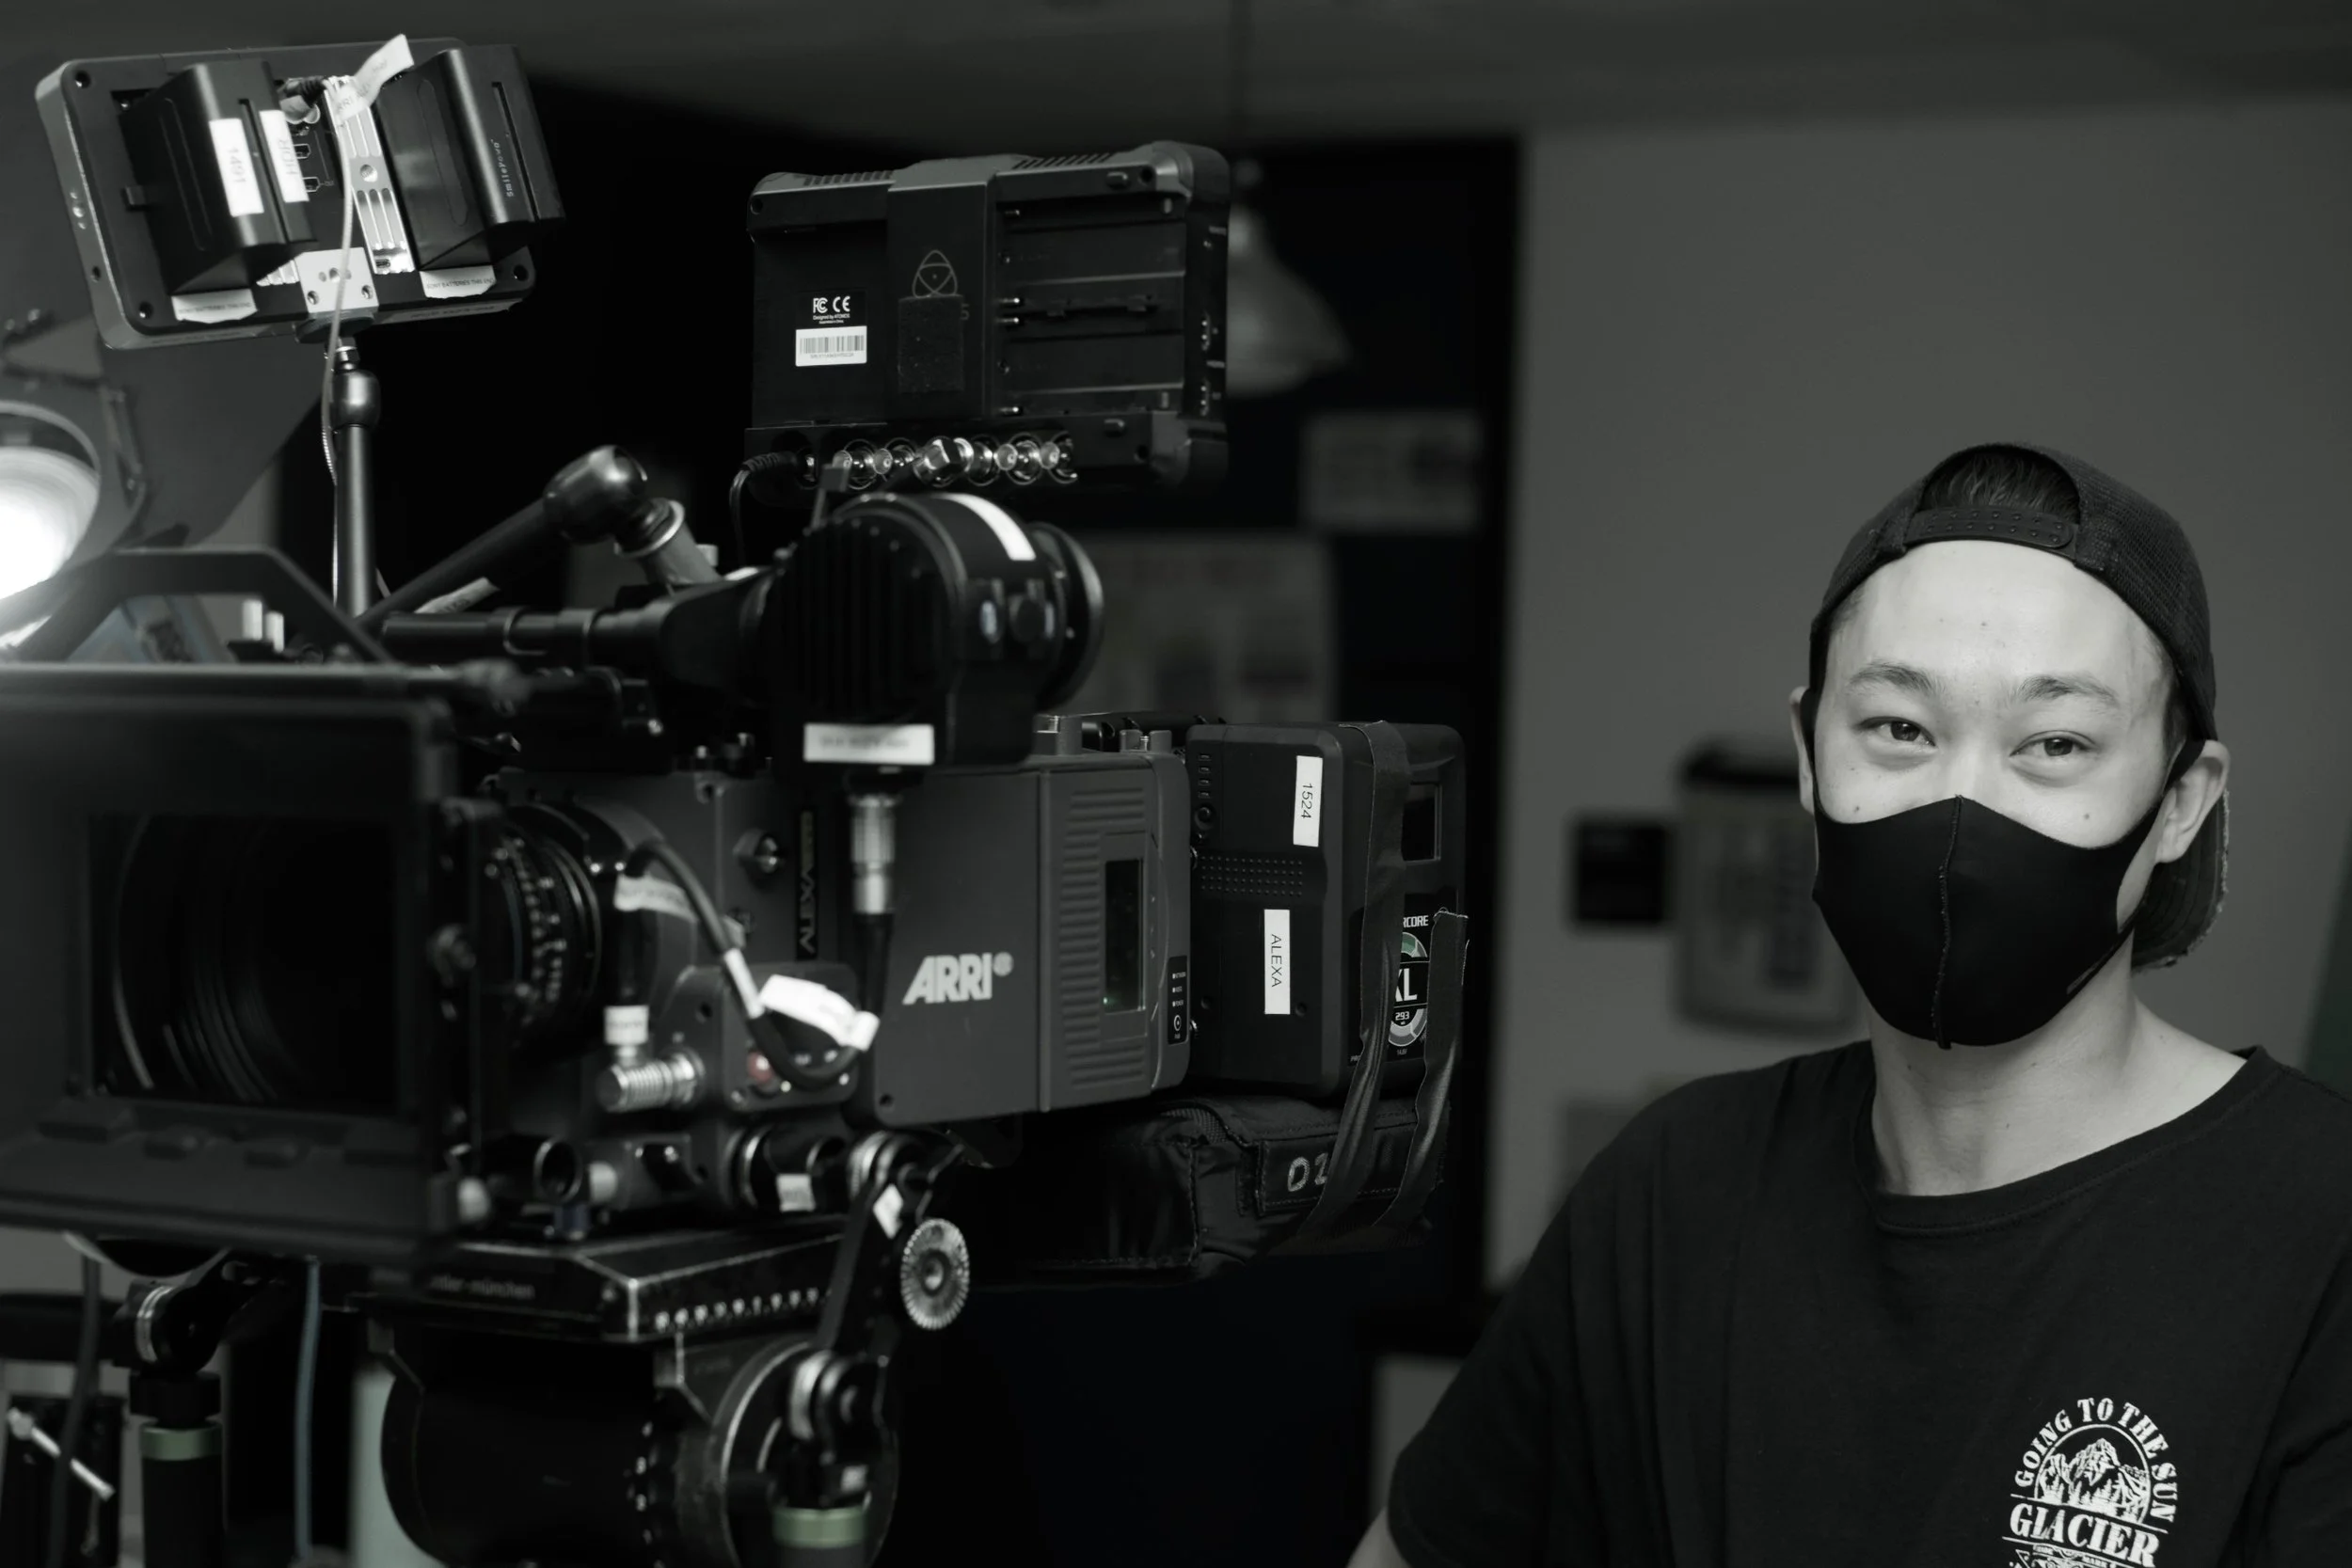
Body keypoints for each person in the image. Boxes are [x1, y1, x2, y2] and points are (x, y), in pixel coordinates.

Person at [1354, 444, 2352, 1567]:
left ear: (2179, 804)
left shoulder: (2318, 1230)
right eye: (1898, 728)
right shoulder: (1673, 1189)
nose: (1959, 810)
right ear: (1806, 753)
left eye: (2056, 743)